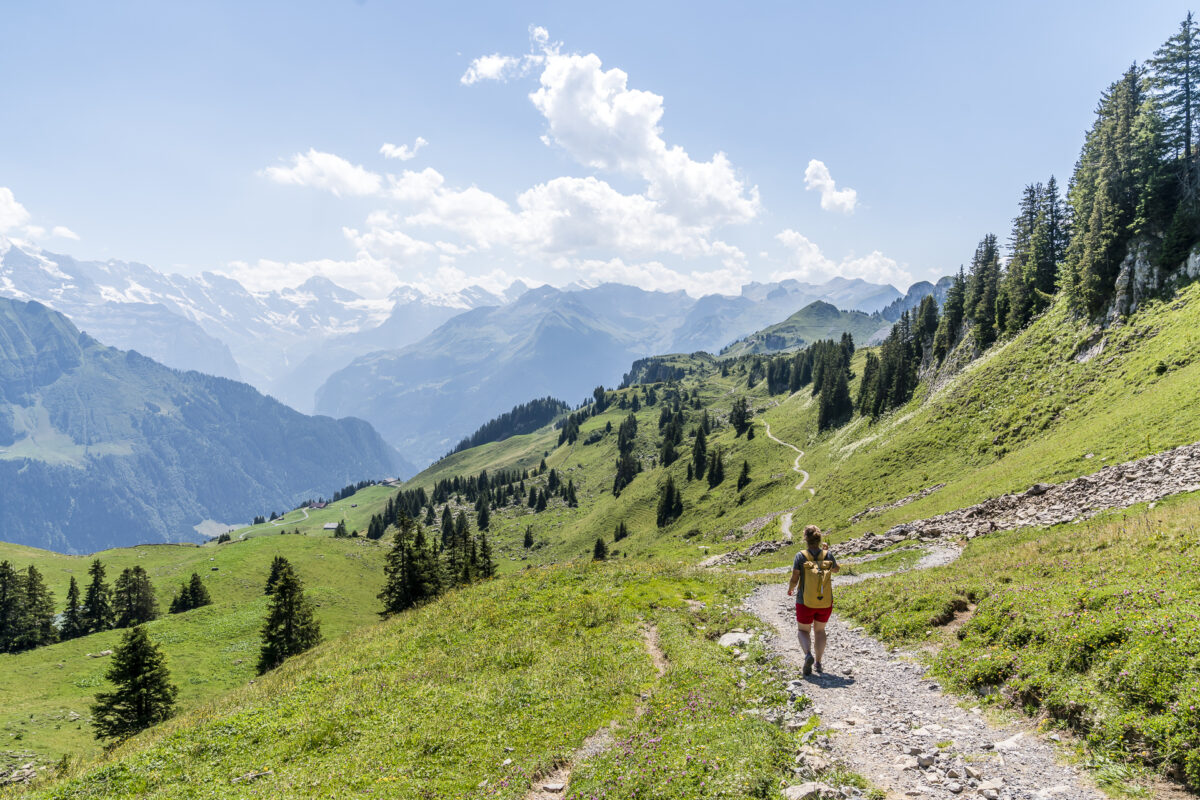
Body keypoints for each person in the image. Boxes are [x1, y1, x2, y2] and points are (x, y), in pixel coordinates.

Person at [786, 524, 839, 675]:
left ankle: (808, 654)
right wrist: (827, 552)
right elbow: (836, 569)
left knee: (803, 630)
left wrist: (791, 588)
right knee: (820, 631)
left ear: (805, 538)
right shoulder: (827, 555)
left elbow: (795, 576)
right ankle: (818, 662)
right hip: (825, 601)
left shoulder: (800, 556)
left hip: (804, 601)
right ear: (819, 538)